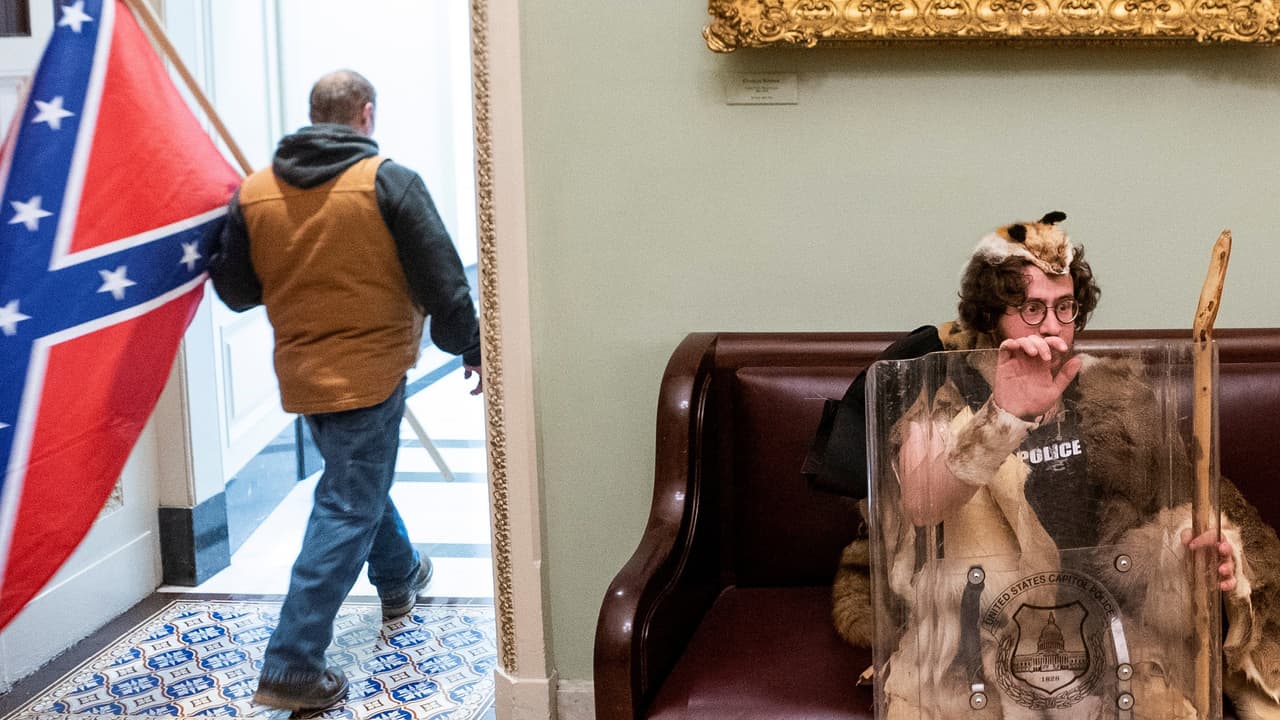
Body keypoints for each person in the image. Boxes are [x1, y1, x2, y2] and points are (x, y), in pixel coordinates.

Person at [809, 212, 1274, 719]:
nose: (1052, 326)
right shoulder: (942, 388)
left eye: (1064, 307)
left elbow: (1150, 518)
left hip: (1097, 629)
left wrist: (1191, 553)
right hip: (977, 647)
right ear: (992, 315)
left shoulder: (1111, 394)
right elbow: (922, 503)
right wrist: (1003, 416)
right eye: (1031, 308)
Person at [207, 69, 482, 711]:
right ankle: (293, 664)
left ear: (314, 115)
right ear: (365, 114)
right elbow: (444, 281)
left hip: (302, 372)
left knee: (353, 482)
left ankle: (398, 573)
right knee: (346, 505)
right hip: (371, 372)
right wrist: (470, 346)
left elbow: (237, 292)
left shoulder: (256, 193)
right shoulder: (388, 181)